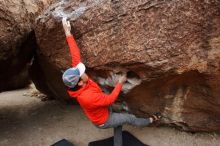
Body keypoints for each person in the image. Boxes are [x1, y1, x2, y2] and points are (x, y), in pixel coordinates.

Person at [61, 18, 161, 129]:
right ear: (80, 83)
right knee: (128, 118)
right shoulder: (87, 97)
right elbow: (109, 100)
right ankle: (150, 120)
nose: (83, 71)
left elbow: (75, 55)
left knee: (107, 100)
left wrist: (67, 32)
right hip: (104, 120)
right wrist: (120, 83)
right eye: (81, 73)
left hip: (101, 106)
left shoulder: (76, 81)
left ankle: (117, 117)